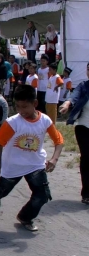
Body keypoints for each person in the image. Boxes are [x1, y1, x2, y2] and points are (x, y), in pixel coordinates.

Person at [0, 84, 63, 231]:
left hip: (36, 165)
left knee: (42, 195)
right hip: (13, 166)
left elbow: (58, 141)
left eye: (25, 107)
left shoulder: (45, 121)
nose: (21, 111)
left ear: (35, 104)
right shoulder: (12, 122)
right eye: (18, 107)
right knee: (3, 192)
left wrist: (54, 159)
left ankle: (25, 217)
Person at [59, 63, 89, 204]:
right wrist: (67, 104)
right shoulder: (84, 86)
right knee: (87, 158)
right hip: (84, 127)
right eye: (88, 69)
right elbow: (74, 96)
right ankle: (87, 193)